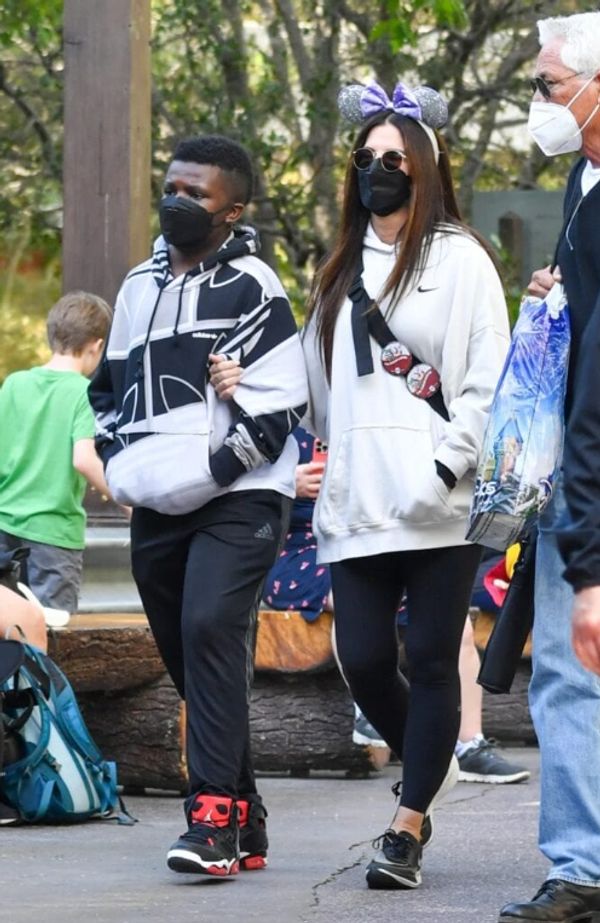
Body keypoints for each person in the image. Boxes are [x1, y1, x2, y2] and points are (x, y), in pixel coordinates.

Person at [301, 79, 510, 891]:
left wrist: (444, 466)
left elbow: (485, 379)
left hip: (436, 501)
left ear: (424, 167)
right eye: (366, 157)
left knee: (429, 655)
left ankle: (407, 821)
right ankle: (433, 762)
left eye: (394, 158)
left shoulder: (460, 258)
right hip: (356, 502)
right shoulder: (338, 269)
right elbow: (319, 389)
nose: (377, 170)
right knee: (359, 657)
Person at [89, 134, 308, 879]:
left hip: (242, 493)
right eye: (171, 186)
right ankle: (246, 808)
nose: (177, 202)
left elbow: (282, 398)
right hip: (156, 498)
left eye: (197, 194)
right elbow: (107, 391)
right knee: (191, 655)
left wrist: (218, 464)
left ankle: (211, 818)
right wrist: (121, 464)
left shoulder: (254, 285)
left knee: (210, 623)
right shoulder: (134, 289)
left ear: (233, 210)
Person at [261, 428, 529, 783]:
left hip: (377, 536)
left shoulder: (380, 416)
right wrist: (289, 483)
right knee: (351, 595)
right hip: (298, 550)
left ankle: (469, 744)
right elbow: (244, 493)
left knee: (458, 624)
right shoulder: (289, 426)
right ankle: (370, 712)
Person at [498, 12, 600, 923]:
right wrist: (555, 291)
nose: (538, 100)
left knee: (575, 664)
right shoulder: (581, 180)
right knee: (568, 671)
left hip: (591, 466)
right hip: (574, 458)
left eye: (547, 83)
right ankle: (580, 864)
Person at [0, 291, 113, 616]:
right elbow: (84, 459)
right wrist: (128, 501)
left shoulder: (14, 384)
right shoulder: (83, 392)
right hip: (53, 536)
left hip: (5, 526)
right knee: (51, 638)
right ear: (97, 345)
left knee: (7, 635)